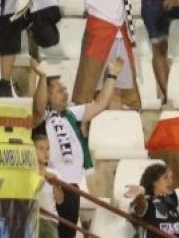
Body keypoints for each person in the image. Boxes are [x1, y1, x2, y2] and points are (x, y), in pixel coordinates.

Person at [31, 57, 121, 238]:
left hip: (73, 186)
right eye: (59, 90)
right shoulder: (42, 118)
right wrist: (42, 77)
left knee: (68, 234)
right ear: (48, 96)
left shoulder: (72, 113)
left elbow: (100, 103)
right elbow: (38, 108)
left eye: (65, 89)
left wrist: (112, 75)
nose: (65, 92)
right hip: (51, 183)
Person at [33, 128, 63, 238]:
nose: (46, 153)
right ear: (32, 150)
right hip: (33, 218)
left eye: (47, 149)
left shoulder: (54, 173)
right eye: (41, 149)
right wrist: (42, 175)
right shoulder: (29, 173)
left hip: (50, 220)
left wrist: (56, 184)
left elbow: (59, 201)